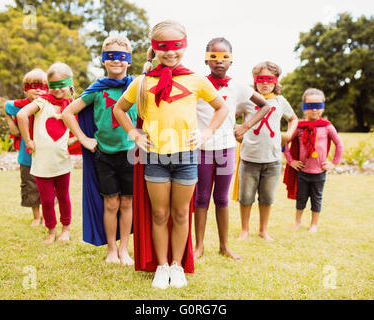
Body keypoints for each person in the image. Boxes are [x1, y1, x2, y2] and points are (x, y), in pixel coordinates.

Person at [113, 20, 228, 289]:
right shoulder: (141, 82)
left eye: (176, 45)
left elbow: (220, 108)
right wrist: (134, 133)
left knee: (180, 214)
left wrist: (206, 133)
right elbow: (119, 109)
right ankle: (161, 266)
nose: (170, 52)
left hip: (187, 157)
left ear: (185, 45)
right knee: (159, 214)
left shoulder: (196, 79)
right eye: (163, 46)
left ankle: (177, 265)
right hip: (155, 158)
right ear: (154, 48)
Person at [194, 37, 270, 260]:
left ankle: (224, 246)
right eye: (214, 57)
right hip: (203, 149)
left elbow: (264, 105)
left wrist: (245, 126)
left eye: (225, 57)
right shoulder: (198, 83)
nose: (219, 62)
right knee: (201, 197)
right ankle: (199, 246)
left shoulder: (238, 86)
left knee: (222, 198)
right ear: (207, 59)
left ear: (231, 61)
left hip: (227, 149)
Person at [62, 35, 135, 265]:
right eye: (110, 56)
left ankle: (125, 249)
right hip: (104, 155)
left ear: (129, 60)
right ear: (103, 60)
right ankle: (111, 250)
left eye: (121, 57)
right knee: (111, 203)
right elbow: (67, 113)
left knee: (127, 203)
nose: (116, 61)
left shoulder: (136, 86)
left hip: (131, 154)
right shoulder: (96, 88)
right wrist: (84, 139)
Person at [235, 61, 298, 241]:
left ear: (276, 81)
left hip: (272, 159)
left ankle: (263, 230)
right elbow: (229, 115)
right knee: (246, 197)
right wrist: (237, 133)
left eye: (269, 79)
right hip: (249, 158)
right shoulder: (248, 100)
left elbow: (293, 119)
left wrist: (289, 135)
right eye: (260, 79)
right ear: (255, 81)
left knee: (267, 197)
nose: (265, 83)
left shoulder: (280, 101)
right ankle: (244, 230)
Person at [17, 62, 78, 244]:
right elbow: (21, 115)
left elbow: (79, 130)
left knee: (63, 196)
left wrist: (73, 140)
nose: (58, 89)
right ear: (48, 85)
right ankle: (51, 231)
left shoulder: (72, 106)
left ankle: (65, 229)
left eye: (62, 85)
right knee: (47, 200)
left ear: (70, 85)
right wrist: (28, 141)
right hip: (42, 164)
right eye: (53, 85)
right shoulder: (41, 102)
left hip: (62, 162)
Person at [283, 88, 344, 233]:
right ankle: (297, 222)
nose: (314, 110)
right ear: (304, 107)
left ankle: (314, 224)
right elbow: (284, 142)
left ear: (323, 107)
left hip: (319, 172)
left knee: (317, 198)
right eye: (310, 106)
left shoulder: (327, 127)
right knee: (301, 198)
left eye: (318, 106)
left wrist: (334, 163)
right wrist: (291, 161)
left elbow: (339, 144)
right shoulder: (299, 127)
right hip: (303, 171)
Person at [4, 68, 48, 226]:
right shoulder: (20, 105)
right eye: (34, 85)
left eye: (43, 86)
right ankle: (36, 217)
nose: (38, 89)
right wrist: (12, 124)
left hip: (47, 154)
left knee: (47, 186)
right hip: (27, 154)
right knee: (30, 186)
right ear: (25, 89)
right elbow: (7, 106)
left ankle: (47, 216)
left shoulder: (50, 104)